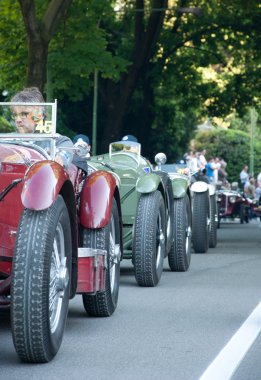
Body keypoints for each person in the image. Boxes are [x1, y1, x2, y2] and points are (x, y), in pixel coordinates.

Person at [10, 87, 85, 171]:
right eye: (15, 115)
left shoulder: (57, 141)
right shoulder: (7, 140)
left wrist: (59, 158)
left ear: (39, 115)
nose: (18, 120)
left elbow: (65, 151)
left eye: (24, 114)